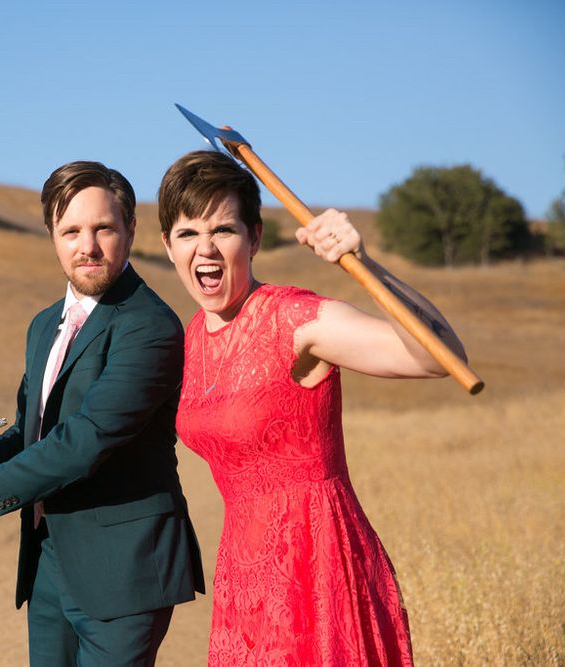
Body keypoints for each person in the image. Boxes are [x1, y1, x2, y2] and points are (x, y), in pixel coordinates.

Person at [157, 150, 468, 665]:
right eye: (188, 233)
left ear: (254, 238)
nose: (205, 248)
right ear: (168, 246)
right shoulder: (187, 342)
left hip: (320, 569)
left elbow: (441, 358)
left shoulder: (294, 319)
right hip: (243, 577)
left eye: (224, 230)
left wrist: (365, 264)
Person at [0, 161, 205, 667]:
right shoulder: (42, 326)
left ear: (130, 230)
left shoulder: (152, 327)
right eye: (71, 230)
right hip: (49, 560)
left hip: (124, 569)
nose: (88, 246)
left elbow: (86, 439)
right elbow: (31, 433)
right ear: (52, 235)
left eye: (103, 228)